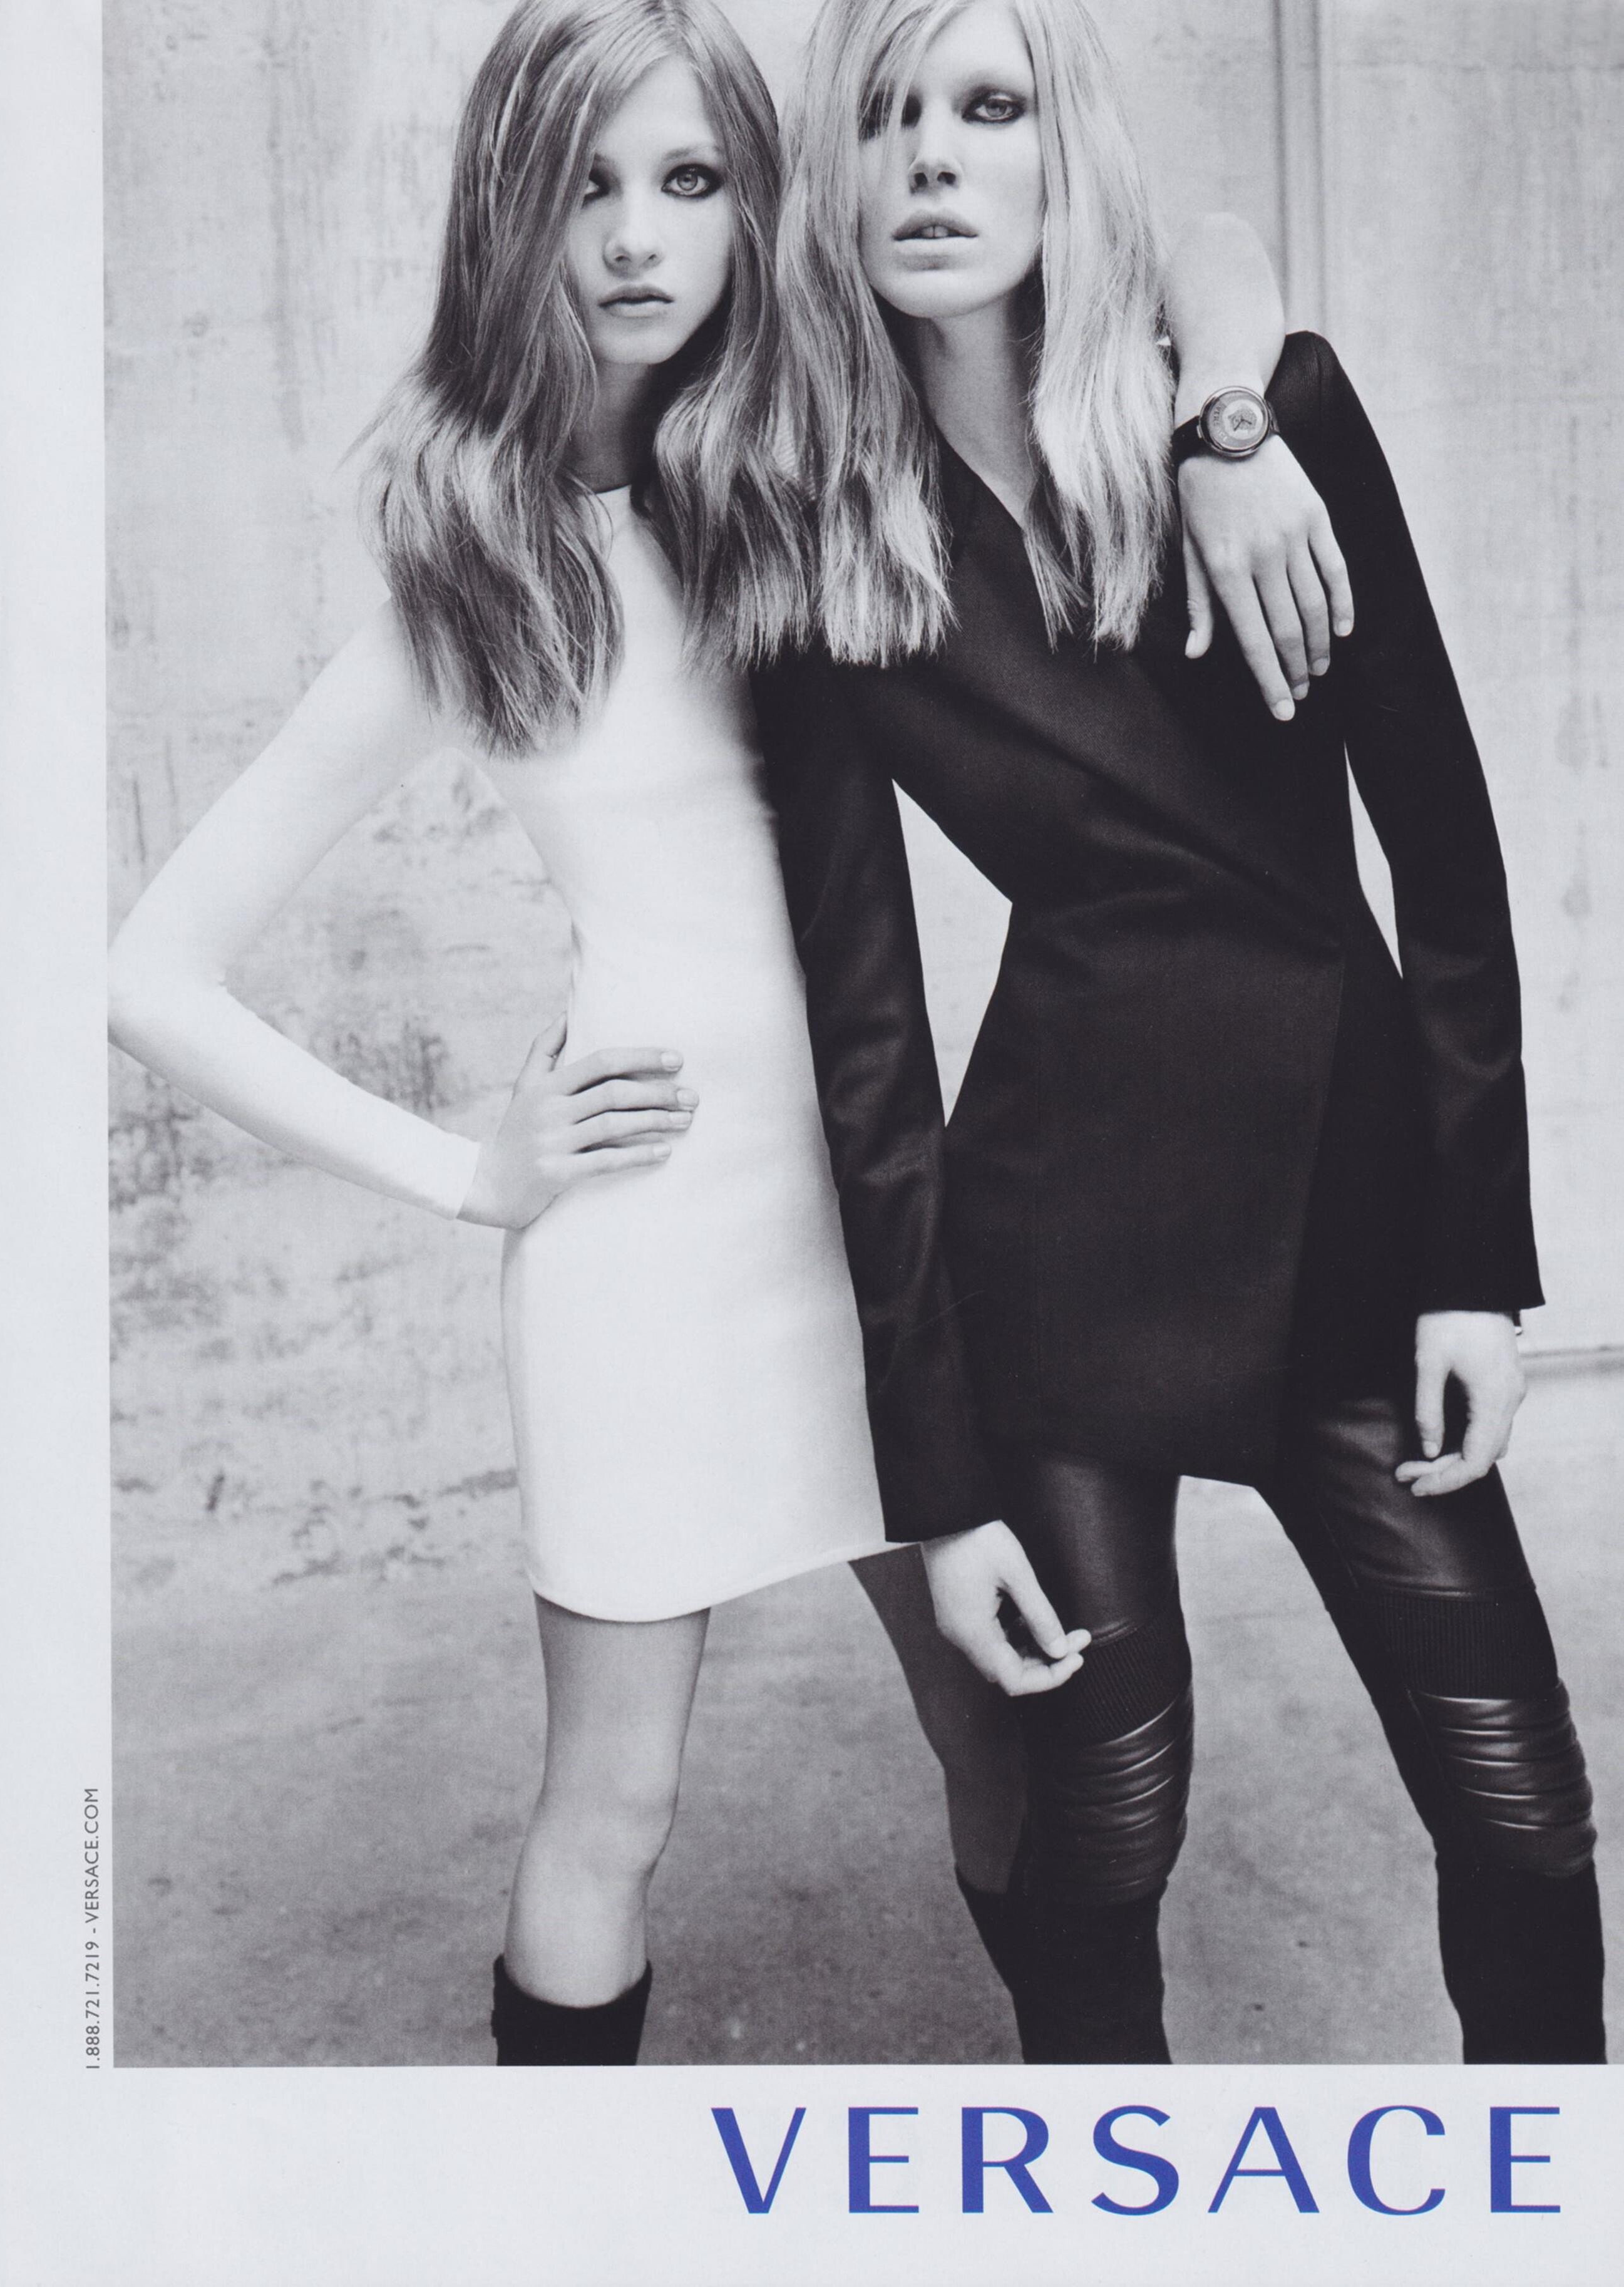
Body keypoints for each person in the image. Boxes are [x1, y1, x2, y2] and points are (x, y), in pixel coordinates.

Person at [108, 0, 1352, 2067]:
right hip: (642, 1262)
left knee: (1008, 1732)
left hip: (880, 1243)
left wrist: (1229, 423)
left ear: (754, 208)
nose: (633, 236)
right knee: (616, 1802)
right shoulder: (476, 575)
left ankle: (1098, 2158)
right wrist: (471, 1173)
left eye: (688, 180)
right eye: (582, 184)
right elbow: (149, 967)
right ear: (508, 212)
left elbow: (1201, 243)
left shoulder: (824, 482)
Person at [761, 0, 1605, 2064]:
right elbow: (867, 1048)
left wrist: (1475, 1263)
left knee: (1519, 1806)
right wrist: (937, 1480)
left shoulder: (1254, 421)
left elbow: (1446, 856)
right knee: (1106, 1829)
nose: (932, 156)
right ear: (836, 185)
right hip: (1057, 1247)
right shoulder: (824, 553)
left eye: (989, 107)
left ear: (1064, 155)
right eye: (885, 118)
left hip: (1346, 1211)